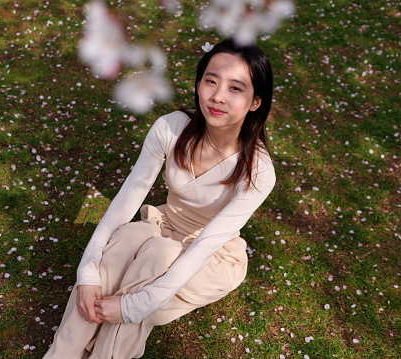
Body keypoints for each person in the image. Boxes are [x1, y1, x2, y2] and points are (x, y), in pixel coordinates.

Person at [43, 38, 276, 359]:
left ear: (255, 102)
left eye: (236, 88)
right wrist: (87, 274)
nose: (218, 96)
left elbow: (208, 243)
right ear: (198, 84)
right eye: (211, 81)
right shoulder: (171, 128)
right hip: (164, 224)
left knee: (153, 260)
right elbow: (125, 202)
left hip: (212, 256)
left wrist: (133, 306)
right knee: (123, 241)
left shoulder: (257, 170)